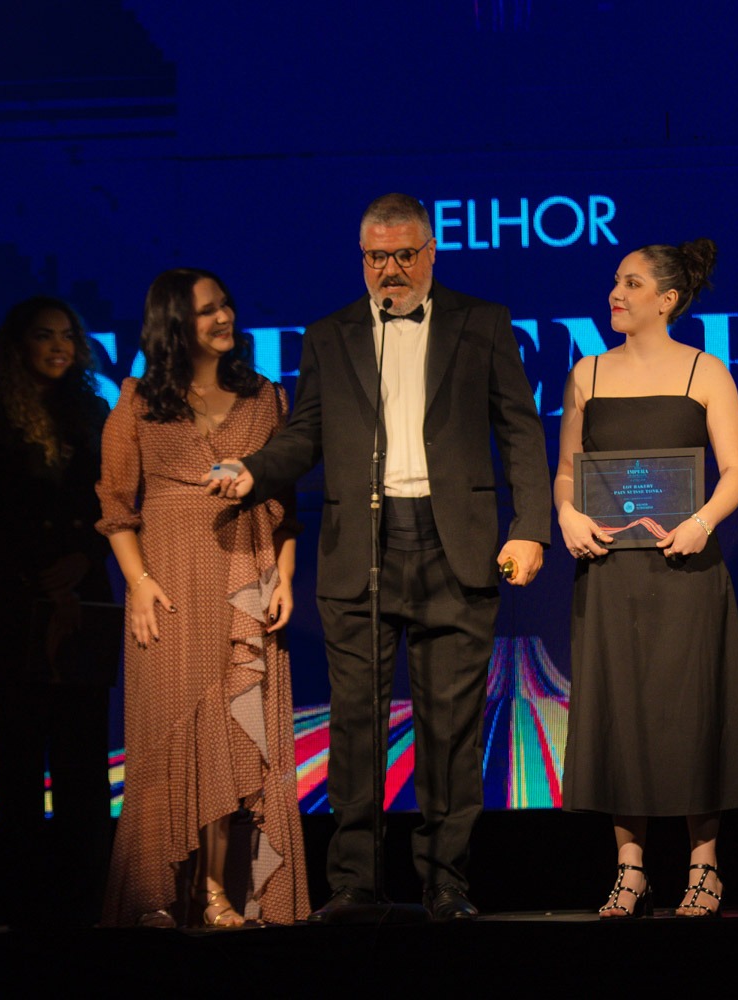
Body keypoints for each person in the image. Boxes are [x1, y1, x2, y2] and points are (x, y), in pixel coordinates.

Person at [217, 193, 551, 921]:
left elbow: (519, 429)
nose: (390, 270)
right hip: (361, 548)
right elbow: (305, 434)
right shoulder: (330, 334)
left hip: (453, 544)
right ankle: (355, 883)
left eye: (404, 255)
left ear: (431, 252)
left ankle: (446, 882)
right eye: (377, 257)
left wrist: (530, 527)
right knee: (356, 724)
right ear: (361, 259)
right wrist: (255, 471)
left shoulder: (482, 322)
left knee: (450, 726)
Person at [555, 240, 738, 918]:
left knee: (693, 710)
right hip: (610, 573)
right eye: (615, 282)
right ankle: (631, 870)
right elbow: (568, 468)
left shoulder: (706, 371)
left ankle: (705, 867)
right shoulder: (587, 373)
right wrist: (566, 513)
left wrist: (702, 521)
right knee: (621, 711)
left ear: (668, 300)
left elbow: (737, 471)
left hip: (685, 568)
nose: (615, 294)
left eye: (632, 283)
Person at [96, 268, 309, 927]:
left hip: (244, 584)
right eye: (206, 311)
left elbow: (285, 504)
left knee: (231, 737)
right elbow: (114, 503)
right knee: (167, 738)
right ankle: (155, 893)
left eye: (225, 305)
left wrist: (285, 578)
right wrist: (138, 582)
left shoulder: (264, 397)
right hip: (170, 589)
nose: (224, 318)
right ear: (173, 325)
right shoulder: (137, 402)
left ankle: (217, 892)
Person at [0, 296, 113, 926]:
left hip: (87, 590)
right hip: (17, 594)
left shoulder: (93, 409)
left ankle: (88, 899)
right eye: (43, 335)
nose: (58, 346)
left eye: (66, 336)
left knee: (83, 751)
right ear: (18, 344)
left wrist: (82, 560)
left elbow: (110, 497)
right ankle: (22, 902)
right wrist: (48, 579)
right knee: (21, 746)